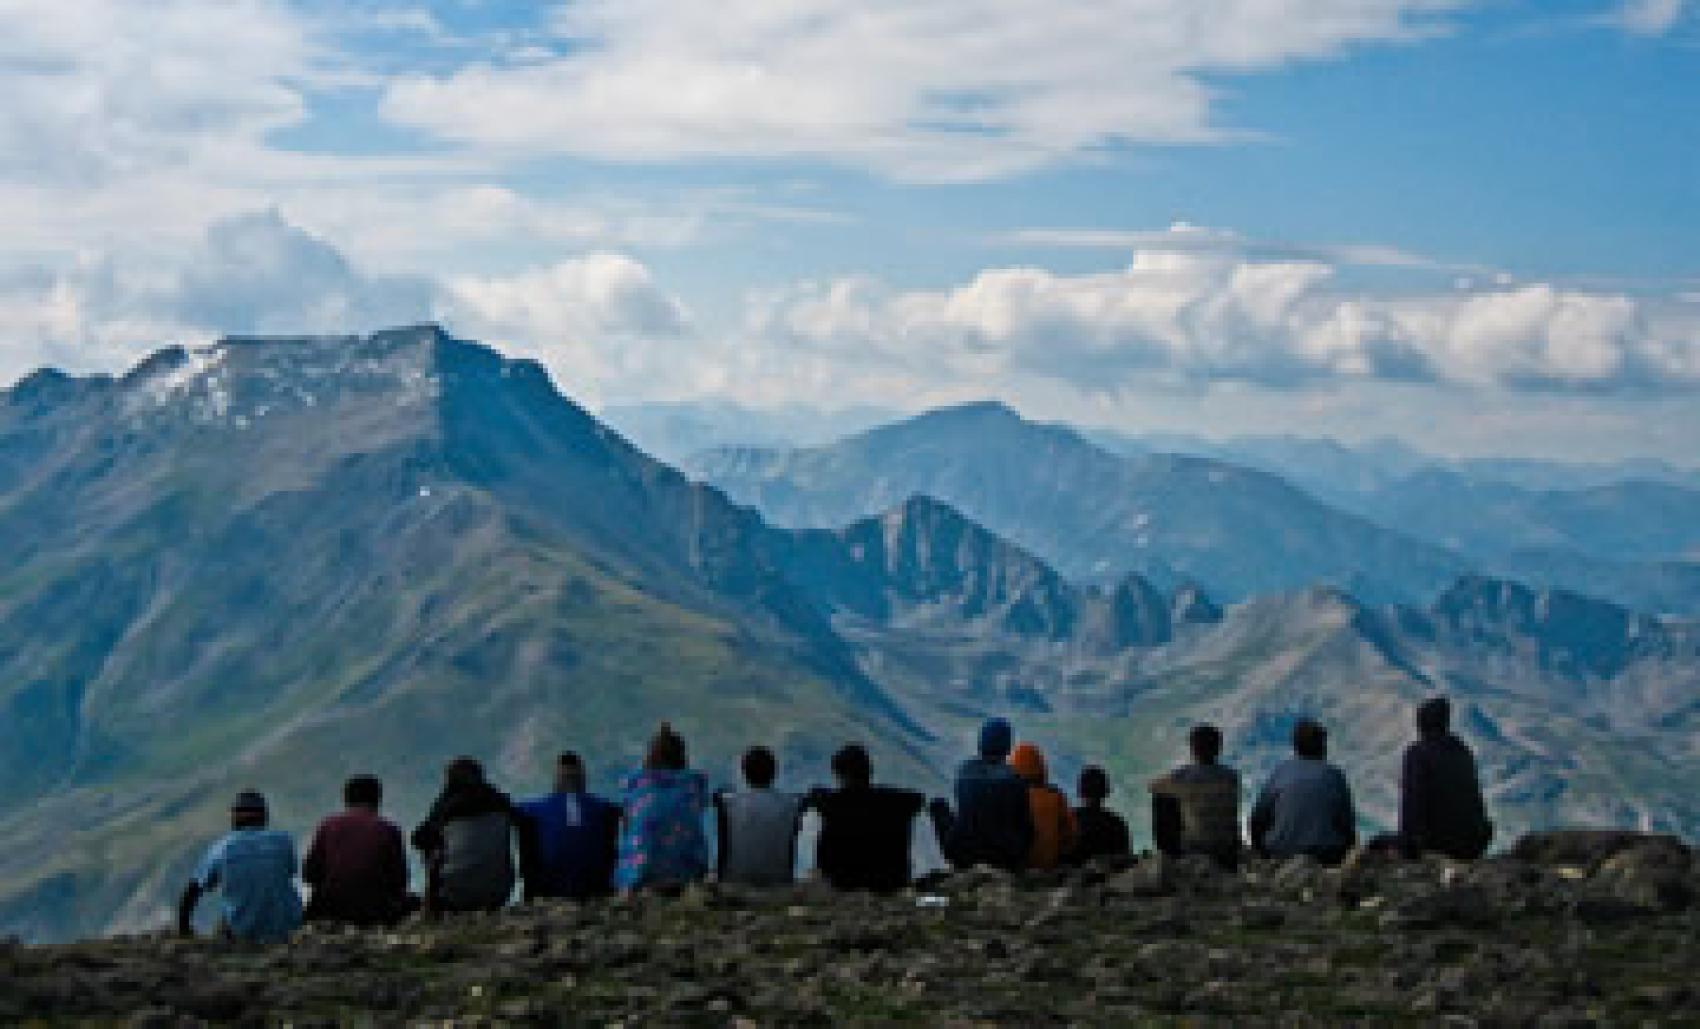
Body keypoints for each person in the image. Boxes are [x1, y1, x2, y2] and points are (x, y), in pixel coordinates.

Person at [178, 790, 302, 943]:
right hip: (287, 928)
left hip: (242, 931)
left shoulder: (223, 847)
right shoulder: (284, 841)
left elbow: (193, 890)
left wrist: (183, 928)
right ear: (264, 816)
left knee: (225, 923)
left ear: (235, 817)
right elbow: (289, 873)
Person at [806, 744, 926, 891]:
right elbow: (918, 798)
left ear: (838, 774)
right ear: (870, 771)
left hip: (843, 882)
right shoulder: (897, 802)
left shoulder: (833, 803)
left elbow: (815, 795)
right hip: (892, 881)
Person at [302, 775, 415, 926]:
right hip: (375, 911)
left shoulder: (328, 825)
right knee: (414, 902)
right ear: (377, 800)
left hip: (330, 909)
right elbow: (400, 881)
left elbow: (309, 874)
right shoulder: (389, 829)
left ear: (346, 800)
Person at [411, 757, 517, 913]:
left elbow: (418, 838)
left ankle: (430, 906)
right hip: (499, 893)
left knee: (430, 844)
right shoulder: (502, 801)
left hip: (454, 896)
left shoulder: (446, 804)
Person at [928, 717, 1034, 872]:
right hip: (1005, 857)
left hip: (963, 854)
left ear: (981, 742)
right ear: (1007, 746)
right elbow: (1025, 826)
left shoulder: (965, 772)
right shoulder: (1015, 779)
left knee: (939, 805)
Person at [615, 723, 710, 892]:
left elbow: (628, 825)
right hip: (686, 873)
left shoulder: (635, 785)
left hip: (641, 875)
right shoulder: (694, 786)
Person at [514, 752, 621, 901]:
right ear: (582, 779)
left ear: (556, 780)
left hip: (549, 889)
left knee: (526, 824)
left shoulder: (532, 808)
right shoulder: (604, 808)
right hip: (595, 887)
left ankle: (530, 894)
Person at [1249, 719, 1358, 866]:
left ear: (1296, 746)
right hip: (1326, 855)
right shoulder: (1334, 775)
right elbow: (1346, 823)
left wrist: (1260, 849)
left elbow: (1258, 817)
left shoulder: (1281, 772)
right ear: (1321, 746)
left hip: (1281, 852)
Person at [1396, 697, 1494, 860]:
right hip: (1472, 844)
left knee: (1377, 845)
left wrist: (1407, 849)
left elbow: (1412, 806)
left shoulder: (1418, 754)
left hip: (1438, 844)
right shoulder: (1462, 750)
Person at [1149, 725, 1244, 870]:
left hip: (1196, 850)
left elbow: (1152, 787)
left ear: (1193, 749)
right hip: (1229, 850)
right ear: (1219, 748)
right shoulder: (1231, 776)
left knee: (1161, 798)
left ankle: (1169, 855)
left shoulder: (1183, 776)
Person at [714, 746, 802, 887]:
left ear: (744, 773)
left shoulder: (729, 803)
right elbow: (792, 841)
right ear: (775, 772)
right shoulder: (791, 805)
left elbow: (723, 845)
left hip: (736, 881)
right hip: (779, 881)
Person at [1008, 742, 1077, 870]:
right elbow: (1070, 837)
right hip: (1050, 868)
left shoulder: (1010, 798)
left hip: (1018, 869)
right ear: (1041, 767)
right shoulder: (1056, 797)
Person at [1069, 766, 1131, 864]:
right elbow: (1125, 862)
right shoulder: (1118, 824)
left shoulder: (1068, 820)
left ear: (1080, 791)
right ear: (1106, 791)